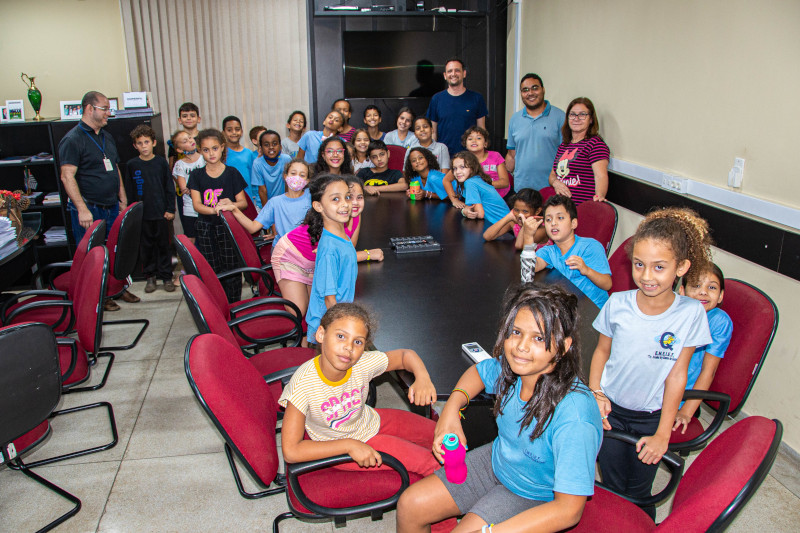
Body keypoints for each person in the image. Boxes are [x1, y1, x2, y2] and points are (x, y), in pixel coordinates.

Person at [396, 284, 603, 533]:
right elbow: (479, 372)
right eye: (516, 332)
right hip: (498, 461)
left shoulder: (575, 415)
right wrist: (451, 409)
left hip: (535, 494)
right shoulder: (515, 368)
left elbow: (568, 511)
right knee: (411, 504)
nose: (521, 347)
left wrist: (494, 531)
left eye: (538, 338)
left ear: (563, 346)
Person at [590, 207, 713, 520]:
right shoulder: (617, 304)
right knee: (614, 483)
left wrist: (663, 434)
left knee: (639, 490)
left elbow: (677, 375)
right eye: (639, 265)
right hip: (611, 412)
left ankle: (640, 523)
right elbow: (601, 352)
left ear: (681, 267)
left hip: (652, 417)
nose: (647, 276)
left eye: (659, 267)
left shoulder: (691, 314)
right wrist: (595, 393)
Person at [279, 303, 440, 483]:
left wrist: (423, 378)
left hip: (368, 421)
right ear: (321, 334)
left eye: (358, 342)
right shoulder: (303, 384)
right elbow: (291, 451)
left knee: (439, 433)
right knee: (431, 463)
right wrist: (349, 445)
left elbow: (404, 355)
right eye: (341, 336)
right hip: (342, 447)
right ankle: (456, 501)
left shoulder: (361, 363)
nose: (349, 347)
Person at [58, 90, 137, 311]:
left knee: (114, 251)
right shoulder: (73, 140)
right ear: (89, 109)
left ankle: (117, 289)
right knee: (93, 256)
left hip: (111, 205)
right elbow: (67, 176)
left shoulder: (106, 136)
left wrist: (122, 197)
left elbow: (115, 168)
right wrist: (82, 209)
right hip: (89, 208)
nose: (109, 114)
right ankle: (100, 296)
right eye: (105, 109)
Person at [187, 129, 249, 303]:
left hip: (228, 227)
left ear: (222, 148)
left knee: (233, 267)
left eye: (214, 148)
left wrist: (229, 206)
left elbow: (242, 203)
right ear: (200, 150)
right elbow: (197, 205)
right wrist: (216, 209)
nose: (211, 153)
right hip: (206, 227)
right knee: (213, 268)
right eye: (206, 150)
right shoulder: (196, 175)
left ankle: (235, 303)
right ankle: (218, 303)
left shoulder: (232, 173)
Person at [675, 263, 733, 433]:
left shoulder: (719, 322)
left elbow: (709, 371)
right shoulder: (673, 309)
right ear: (682, 291)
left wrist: (686, 411)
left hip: (681, 395)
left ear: (720, 296)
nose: (703, 292)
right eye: (697, 285)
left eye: (712, 287)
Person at [303, 174, 358, 347]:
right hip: (328, 328)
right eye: (335, 199)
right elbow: (329, 300)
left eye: (347, 197)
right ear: (318, 206)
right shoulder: (329, 248)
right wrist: (345, 331)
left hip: (337, 316)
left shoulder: (340, 235)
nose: (345, 204)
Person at [532, 195, 612, 308]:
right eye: (548, 219)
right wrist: (528, 236)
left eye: (560, 218)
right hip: (569, 305)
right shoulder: (549, 251)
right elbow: (530, 269)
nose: (553, 223)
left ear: (573, 223)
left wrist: (587, 270)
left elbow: (607, 284)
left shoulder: (590, 246)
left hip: (593, 310)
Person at [126, 125, 176, 293]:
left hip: (161, 213)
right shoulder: (132, 165)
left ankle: (167, 277)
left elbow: (169, 187)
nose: (144, 146)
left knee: (164, 246)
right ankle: (150, 277)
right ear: (135, 146)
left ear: (153, 142)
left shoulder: (161, 162)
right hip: (142, 216)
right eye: (139, 143)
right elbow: (130, 191)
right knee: (146, 247)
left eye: (146, 142)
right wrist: (133, 214)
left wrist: (170, 209)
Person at [217, 158, 311, 243]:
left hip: (306, 250)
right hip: (283, 252)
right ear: (285, 176)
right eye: (293, 173)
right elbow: (253, 227)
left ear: (307, 181)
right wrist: (234, 209)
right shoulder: (275, 202)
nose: (297, 178)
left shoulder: (312, 199)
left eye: (302, 175)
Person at [506, 74, 565, 191]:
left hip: (551, 189)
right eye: (525, 90)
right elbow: (511, 155)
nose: (530, 93)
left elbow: (567, 155)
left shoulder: (560, 117)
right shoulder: (515, 119)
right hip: (522, 188)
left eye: (535, 88)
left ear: (543, 90)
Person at [548, 97, 610, 204]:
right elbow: (552, 175)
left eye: (582, 115)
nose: (576, 119)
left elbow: (600, 176)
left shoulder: (595, 144)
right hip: (561, 208)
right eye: (572, 114)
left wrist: (599, 197)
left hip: (580, 208)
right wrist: (556, 183)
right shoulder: (564, 145)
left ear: (591, 119)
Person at [426, 58, 488, 158]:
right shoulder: (436, 99)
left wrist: (481, 156)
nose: (453, 74)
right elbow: (433, 132)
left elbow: (481, 129)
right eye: (450, 71)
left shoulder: (476, 98)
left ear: (464, 73)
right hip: (444, 157)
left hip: (470, 157)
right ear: (445, 76)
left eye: (457, 70)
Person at [443, 126, 509, 204]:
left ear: (485, 143)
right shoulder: (461, 160)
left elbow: (505, 182)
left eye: (478, 138)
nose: (474, 141)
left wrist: (481, 185)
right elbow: (446, 180)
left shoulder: (495, 156)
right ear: (465, 144)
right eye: (470, 139)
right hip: (475, 201)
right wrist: (454, 200)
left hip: (499, 199)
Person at [451, 151, 509, 225]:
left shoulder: (470, 183)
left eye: (462, 167)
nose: (458, 171)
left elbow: (479, 214)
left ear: (472, 167)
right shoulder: (476, 179)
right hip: (502, 223)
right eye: (455, 168)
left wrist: (464, 212)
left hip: (501, 225)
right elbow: (472, 207)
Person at [482, 188, 547, 249]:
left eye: (525, 211)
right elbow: (487, 236)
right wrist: (508, 217)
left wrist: (525, 225)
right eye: (516, 210)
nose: (519, 215)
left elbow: (519, 245)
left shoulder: (542, 229)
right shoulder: (514, 222)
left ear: (537, 211)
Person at [171, 130, 204, 243]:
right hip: (190, 208)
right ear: (180, 149)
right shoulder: (180, 165)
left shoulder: (204, 159)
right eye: (185, 141)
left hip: (206, 206)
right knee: (190, 237)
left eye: (190, 137)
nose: (190, 140)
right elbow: (184, 188)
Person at [345, 175, 384, 264]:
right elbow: (338, 258)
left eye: (359, 197)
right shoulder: (334, 220)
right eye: (349, 197)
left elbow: (350, 249)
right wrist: (367, 254)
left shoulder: (356, 215)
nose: (355, 202)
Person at [222, 116, 258, 207]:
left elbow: (253, 177)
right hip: (228, 199)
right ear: (223, 133)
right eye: (229, 130)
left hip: (247, 198)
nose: (234, 132)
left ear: (241, 132)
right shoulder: (221, 154)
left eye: (237, 129)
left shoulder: (249, 153)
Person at [252, 130, 292, 207]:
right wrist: (267, 211)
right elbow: (262, 190)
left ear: (280, 147)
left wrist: (286, 205)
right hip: (263, 205)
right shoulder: (257, 163)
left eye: (274, 144)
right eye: (266, 145)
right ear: (261, 148)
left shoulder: (286, 159)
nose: (271, 147)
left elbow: (288, 184)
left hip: (283, 203)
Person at [167, 102, 202, 170]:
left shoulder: (205, 138)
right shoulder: (174, 141)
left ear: (198, 119)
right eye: (184, 116)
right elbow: (172, 167)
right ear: (180, 120)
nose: (189, 118)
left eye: (192, 116)